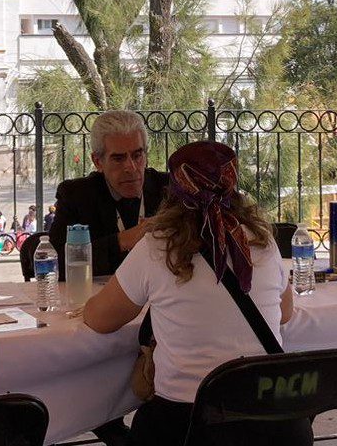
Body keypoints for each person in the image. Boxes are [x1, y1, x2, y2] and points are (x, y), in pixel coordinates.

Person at [84, 141, 308, 446]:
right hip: (274, 426)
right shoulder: (261, 240)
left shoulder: (158, 246)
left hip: (186, 426)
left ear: (176, 186)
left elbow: (99, 319)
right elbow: (284, 313)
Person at [49, 110, 170, 279]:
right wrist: (122, 241)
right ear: (98, 162)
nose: (131, 167)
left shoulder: (170, 190)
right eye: (119, 158)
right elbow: (55, 263)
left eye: (137, 155)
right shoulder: (77, 196)